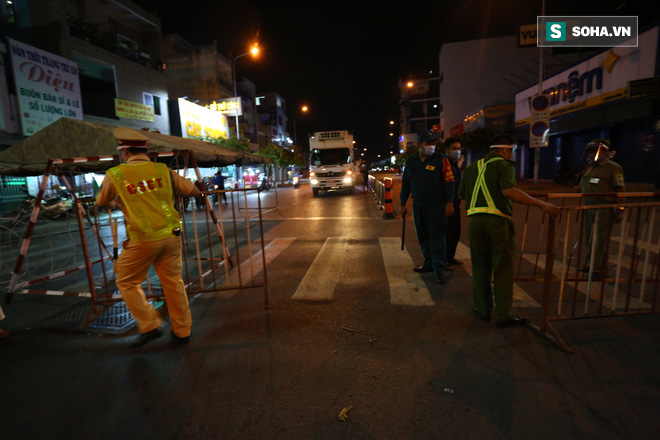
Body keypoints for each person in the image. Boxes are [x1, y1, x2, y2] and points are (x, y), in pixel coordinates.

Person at [96, 127, 201, 348]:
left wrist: (117, 202)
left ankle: (150, 323)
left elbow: (101, 201)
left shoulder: (116, 174)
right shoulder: (163, 170)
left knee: (126, 280)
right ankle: (183, 331)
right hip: (171, 236)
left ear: (124, 152)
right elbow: (193, 191)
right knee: (174, 283)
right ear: (145, 151)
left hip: (142, 239)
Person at [458, 134, 560, 327]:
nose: (511, 155)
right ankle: (503, 315)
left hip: (475, 221)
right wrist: (540, 204)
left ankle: (482, 309)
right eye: (511, 151)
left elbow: (462, 195)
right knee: (502, 268)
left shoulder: (471, 168)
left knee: (480, 268)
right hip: (497, 221)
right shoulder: (504, 166)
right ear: (505, 150)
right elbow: (509, 191)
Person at [400, 130, 455, 284]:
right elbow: (406, 185)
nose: (431, 146)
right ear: (420, 145)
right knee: (423, 236)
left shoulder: (442, 161)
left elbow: (450, 183)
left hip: (437, 205)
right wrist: (402, 204)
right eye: (428, 143)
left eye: (433, 143)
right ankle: (428, 264)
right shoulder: (411, 162)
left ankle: (439, 270)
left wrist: (450, 202)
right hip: (418, 205)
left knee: (437, 238)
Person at [579, 139, 625, 279]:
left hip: (604, 208)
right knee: (590, 238)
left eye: (594, 151)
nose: (592, 154)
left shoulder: (613, 167)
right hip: (589, 208)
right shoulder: (591, 167)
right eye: (590, 152)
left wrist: (620, 209)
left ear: (604, 152)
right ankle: (590, 264)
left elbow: (620, 189)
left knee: (601, 240)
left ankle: (599, 269)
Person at [444, 137, 464, 267]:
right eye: (454, 149)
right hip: (447, 205)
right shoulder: (445, 163)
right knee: (447, 233)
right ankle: (444, 259)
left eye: (458, 149)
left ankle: (450, 257)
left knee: (455, 232)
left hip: (456, 203)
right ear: (447, 150)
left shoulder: (455, 164)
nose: (457, 151)